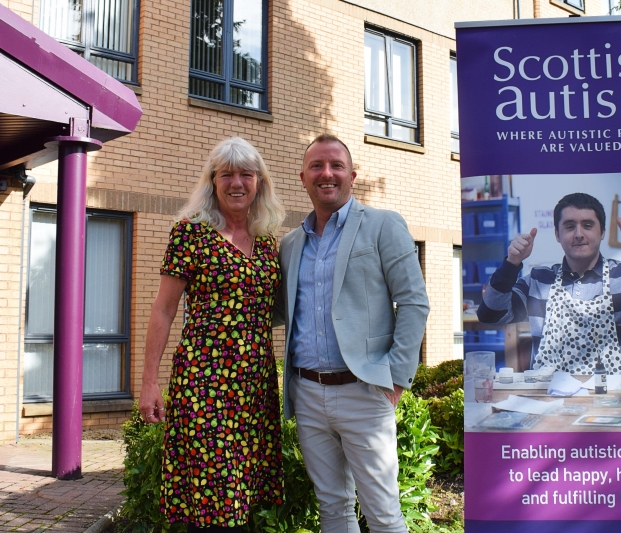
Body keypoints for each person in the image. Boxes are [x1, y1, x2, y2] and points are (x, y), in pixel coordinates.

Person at [276, 133, 429, 533]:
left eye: (336, 166)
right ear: (303, 177)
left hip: (365, 390)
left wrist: (396, 376)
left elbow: (414, 303)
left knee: (382, 513)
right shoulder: (290, 244)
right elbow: (277, 312)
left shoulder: (382, 225)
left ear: (352, 175)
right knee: (333, 508)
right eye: (317, 166)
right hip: (308, 393)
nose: (327, 173)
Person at [138, 137, 285, 532]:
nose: (237, 183)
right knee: (211, 504)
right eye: (227, 174)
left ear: (259, 182)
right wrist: (150, 382)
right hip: (205, 384)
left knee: (242, 501)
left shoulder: (269, 240)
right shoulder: (190, 233)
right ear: (213, 181)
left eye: (246, 174)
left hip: (254, 387)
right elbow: (164, 309)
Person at [477, 192, 621, 375]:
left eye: (588, 225)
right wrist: (511, 264)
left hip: (619, 395)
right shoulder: (538, 280)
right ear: (557, 235)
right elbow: (490, 315)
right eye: (569, 226)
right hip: (551, 398)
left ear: (602, 232)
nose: (579, 234)